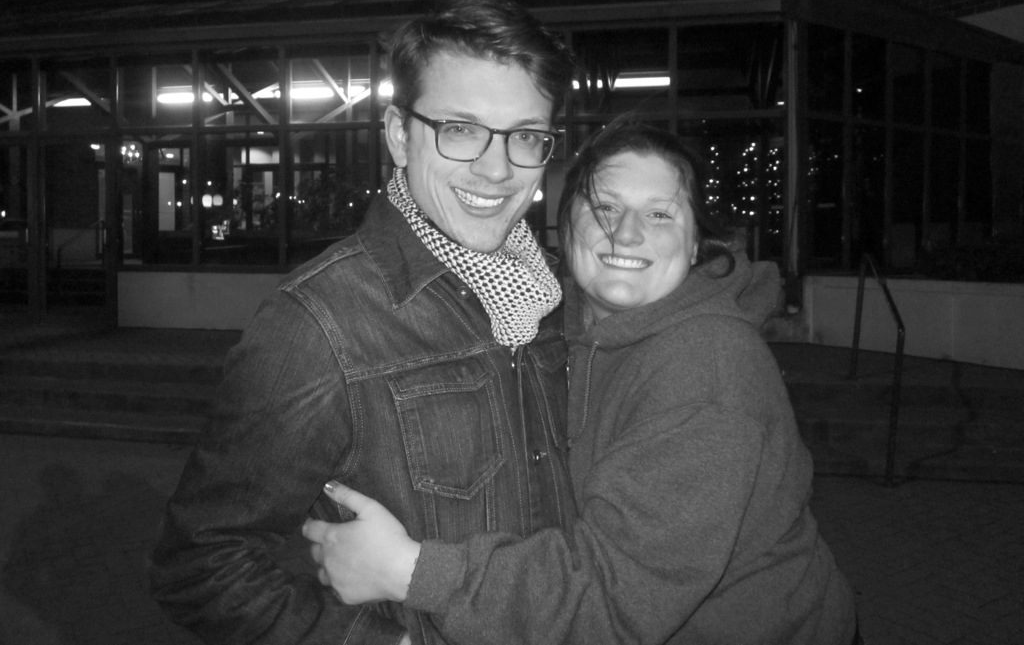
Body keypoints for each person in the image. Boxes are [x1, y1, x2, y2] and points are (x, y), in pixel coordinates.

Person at [304, 118, 860, 644]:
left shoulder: (708, 364)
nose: (627, 233)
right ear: (567, 226)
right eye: (605, 207)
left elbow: (616, 600)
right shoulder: (546, 324)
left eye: (660, 215)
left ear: (695, 245)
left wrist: (408, 570)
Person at [149, 0, 578, 645]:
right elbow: (201, 562)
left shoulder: (552, 297)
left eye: (525, 136)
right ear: (400, 136)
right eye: (460, 130)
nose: (496, 169)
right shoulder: (319, 323)